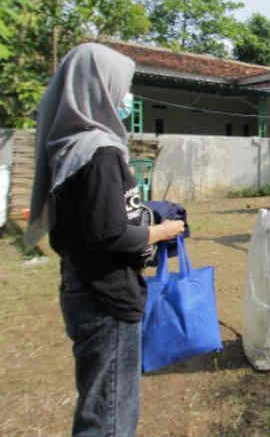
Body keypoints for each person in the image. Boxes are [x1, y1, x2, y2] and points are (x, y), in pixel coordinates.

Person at [25, 43, 185, 437]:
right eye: (122, 85)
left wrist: (143, 214)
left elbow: (95, 221)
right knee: (110, 415)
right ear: (100, 87)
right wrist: (162, 231)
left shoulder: (71, 145)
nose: (126, 96)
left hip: (83, 284)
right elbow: (109, 234)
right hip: (106, 295)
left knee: (99, 402)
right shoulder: (100, 152)